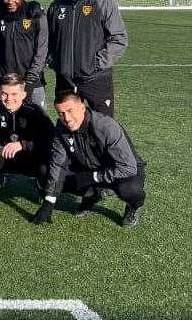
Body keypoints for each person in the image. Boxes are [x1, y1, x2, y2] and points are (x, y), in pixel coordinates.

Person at [32, 92, 146, 228]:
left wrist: (95, 177)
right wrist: (49, 202)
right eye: (61, 113)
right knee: (46, 171)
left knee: (130, 189)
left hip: (123, 170)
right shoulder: (61, 128)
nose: (66, 118)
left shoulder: (106, 126)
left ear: (82, 107)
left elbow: (128, 167)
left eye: (69, 110)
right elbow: (58, 164)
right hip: (90, 168)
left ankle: (134, 206)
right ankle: (93, 195)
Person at [48, 0, 128, 116]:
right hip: (65, 81)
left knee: (103, 126)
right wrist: (55, 62)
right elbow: (48, 40)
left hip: (95, 79)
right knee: (68, 125)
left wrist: (97, 63)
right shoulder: (56, 6)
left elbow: (119, 38)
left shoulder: (103, 3)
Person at [0, 74, 54, 198]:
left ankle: (42, 185)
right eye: (4, 94)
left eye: (14, 94)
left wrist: (23, 145)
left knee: (48, 160)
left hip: (31, 159)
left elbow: (51, 139)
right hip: (4, 157)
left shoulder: (34, 111)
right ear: (0, 93)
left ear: (23, 95)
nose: (9, 98)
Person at [0, 0, 47, 109]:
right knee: (6, 125)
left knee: (37, 124)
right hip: (4, 82)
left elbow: (41, 50)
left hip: (32, 82)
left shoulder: (35, 16)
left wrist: (30, 79)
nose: (10, 1)